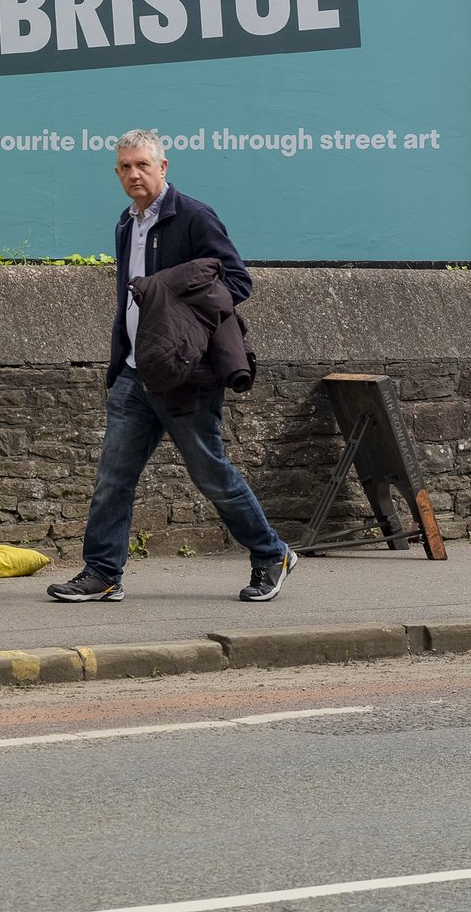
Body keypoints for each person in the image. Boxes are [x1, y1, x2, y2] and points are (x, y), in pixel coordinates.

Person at [48, 128, 295, 605]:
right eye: (125, 167)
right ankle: (103, 573)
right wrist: (121, 359)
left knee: (211, 475)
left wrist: (177, 310)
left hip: (186, 376)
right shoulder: (126, 224)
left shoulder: (195, 217)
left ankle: (272, 553)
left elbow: (237, 281)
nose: (134, 174)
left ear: (163, 167)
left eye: (143, 164)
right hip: (134, 373)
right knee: (112, 479)